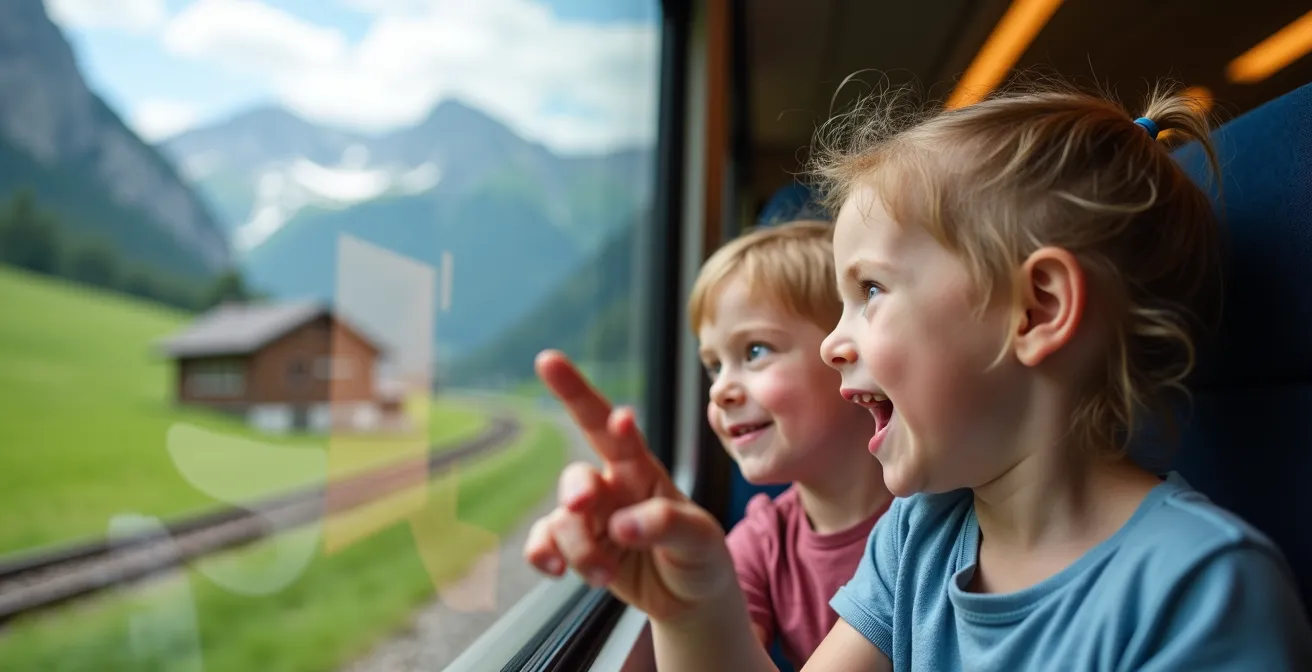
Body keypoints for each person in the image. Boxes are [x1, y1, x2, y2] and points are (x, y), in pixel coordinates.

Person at [523, 80, 1312, 671]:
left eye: (869, 292)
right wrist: (694, 604)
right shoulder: (921, 536)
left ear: (1035, 310)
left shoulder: (1199, 590)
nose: (834, 345)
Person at [532, 220, 893, 668]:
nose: (721, 390)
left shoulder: (943, 509)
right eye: (713, 366)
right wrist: (683, 615)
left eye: (755, 351)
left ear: (846, 353)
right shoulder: (761, 542)